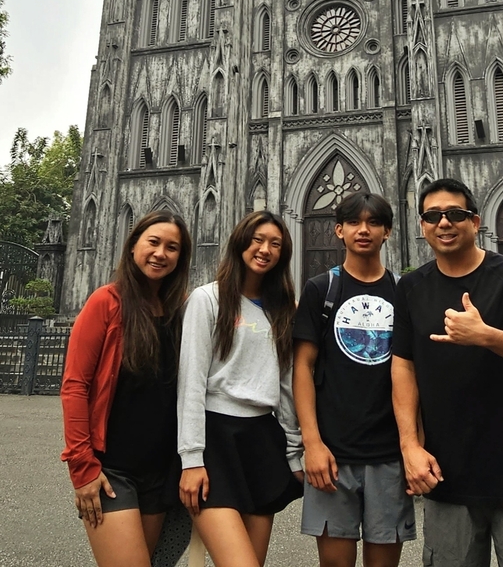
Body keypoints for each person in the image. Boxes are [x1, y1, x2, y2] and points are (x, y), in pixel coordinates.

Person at [392, 178, 503, 567]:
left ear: (474, 221)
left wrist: (486, 335)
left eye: (455, 214)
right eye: (433, 216)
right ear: (421, 226)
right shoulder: (410, 288)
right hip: (447, 474)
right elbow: (403, 366)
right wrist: (409, 446)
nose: (444, 223)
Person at [61, 210, 192, 567]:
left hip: (161, 469)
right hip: (112, 469)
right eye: (153, 242)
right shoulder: (106, 302)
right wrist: (82, 467)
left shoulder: (181, 310)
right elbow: (75, 387)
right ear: (133, 244)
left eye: (172, 247)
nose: (161, 253)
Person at [293, 192, 416, 567]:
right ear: (339, 231)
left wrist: (415, 448)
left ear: (388, 232)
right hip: (333, 455)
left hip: (389, 455)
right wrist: (311, 444)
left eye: (374, 222)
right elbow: (302, 368)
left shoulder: (404, 292)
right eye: (354, 223)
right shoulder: (319, 290)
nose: (364, 230)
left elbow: (412, 372)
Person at [177, 211, 303, 567]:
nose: (265, 249)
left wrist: (294, 452)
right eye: (257, 240)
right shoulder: (208, 300)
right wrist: (190, 460)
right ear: (240, 243)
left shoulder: (283, 310)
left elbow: (286, 386)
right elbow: (191, 382)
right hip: (215, 439)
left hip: (263, 440)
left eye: (275, 244)